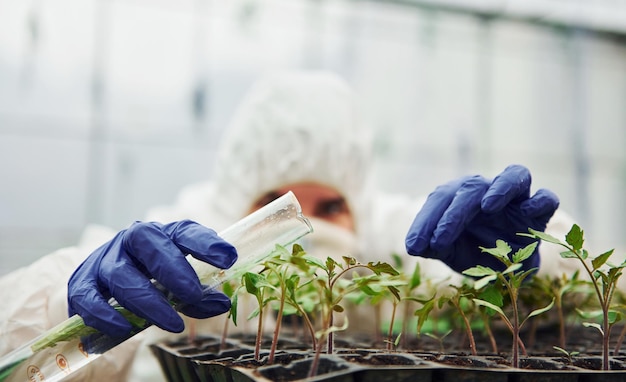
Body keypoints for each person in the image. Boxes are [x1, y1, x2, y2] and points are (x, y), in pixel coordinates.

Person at [0, 71, 577, 381]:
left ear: (361, 205)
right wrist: (61, 305)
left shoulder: (403, 246)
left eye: (328, 207)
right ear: (237, 204)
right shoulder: (189, 254)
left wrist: (528, 264)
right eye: (276, 205)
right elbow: (16, 355)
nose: (302, 227)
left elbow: (588, 284)